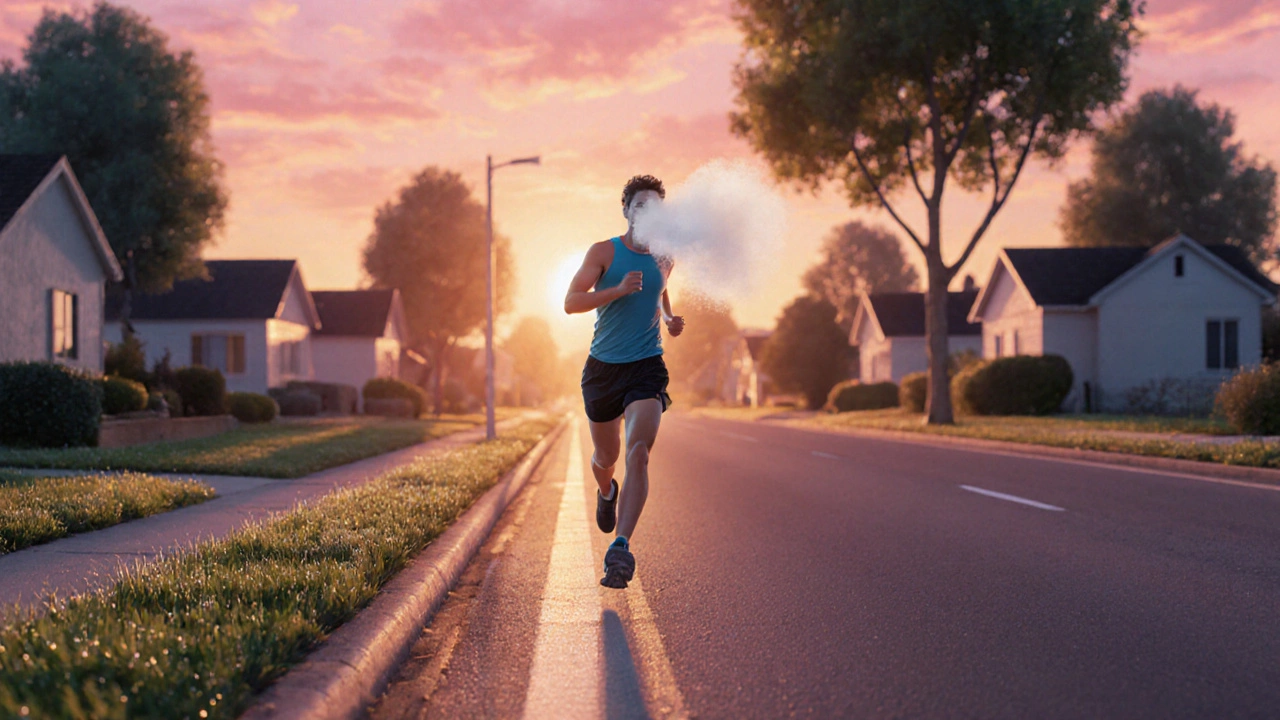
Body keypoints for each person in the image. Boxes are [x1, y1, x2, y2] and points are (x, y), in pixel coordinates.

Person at [563, 174, 684, 589]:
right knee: (606, 457)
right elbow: (570, 303)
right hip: (603, 370)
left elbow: (660, 289)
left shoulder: (666, 256)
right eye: (640, 205)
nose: (647, 212)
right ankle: (606, 492)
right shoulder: (603, 252)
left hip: (646, 366)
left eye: (655, 207)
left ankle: (621, 547)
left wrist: (669, 319)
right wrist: (616, 290)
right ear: (626, 211)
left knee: (639, 452)